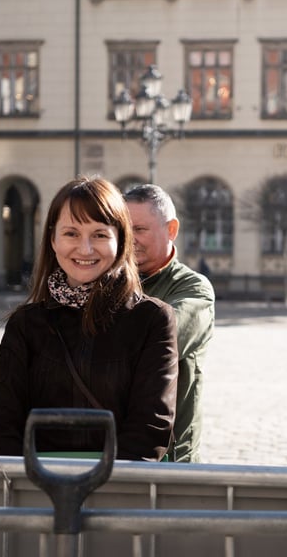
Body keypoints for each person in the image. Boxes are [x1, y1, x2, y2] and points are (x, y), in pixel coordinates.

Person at [0, 176, 178, 461]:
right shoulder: (26, 324)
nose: (85, 249)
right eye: (71, 233)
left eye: (99, 234)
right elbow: (1, 423)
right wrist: (30, 484)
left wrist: (107, 485)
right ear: (53, 239)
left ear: (120, 239)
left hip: (120, 490)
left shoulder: (151, 319)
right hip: (36, 490)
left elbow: (151, 426)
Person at [124, 184, 215, 463]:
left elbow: (156, 346)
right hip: (112, 449)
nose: (130, 240)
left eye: (139, 229)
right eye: (123, 230)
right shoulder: (107, 281)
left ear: (172, 230)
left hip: (170, 457)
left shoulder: (193, 289)